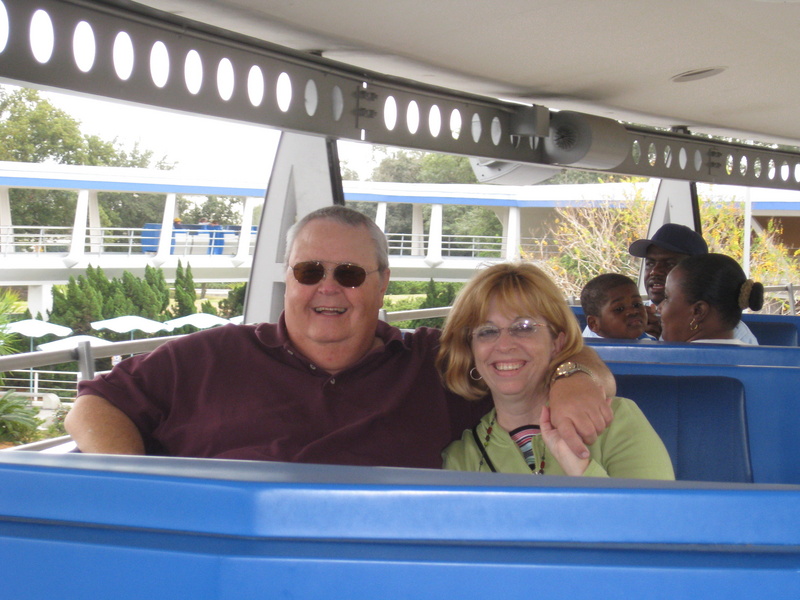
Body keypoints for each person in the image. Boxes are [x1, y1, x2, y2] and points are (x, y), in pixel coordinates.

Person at [65, 206, 615, 468]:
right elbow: (94, 405)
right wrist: (135, 480)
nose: (328, 289)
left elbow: (542, 352)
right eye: (310, 272)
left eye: (349, 274)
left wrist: (571, 377)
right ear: (289, 278)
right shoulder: (210, 356)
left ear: (382, 284)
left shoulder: (433, 361)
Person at [438, 262, 674, 479]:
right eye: (487, 331)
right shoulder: (460, 457)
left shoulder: (617, 421)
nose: (504, 344)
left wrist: (579, 465)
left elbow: (658, 522)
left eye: (524, 327)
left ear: (557, 342)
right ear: (470, 350)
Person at [629, 223, 758, 343]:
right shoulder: (632, 319)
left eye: (670, 264)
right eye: (650, 263)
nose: (654, 272)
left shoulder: (732, 333)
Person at [660, 253, 764, 344]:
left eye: (666, 298)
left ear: (698, 311)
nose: (658, 308)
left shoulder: (665, 363)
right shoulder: (759, 360)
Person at [580, 273, 655, 340]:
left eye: (637, 305)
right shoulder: (586, 353)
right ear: (594, 323)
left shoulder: (649, 341)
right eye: (619, 309)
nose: (633, 311)